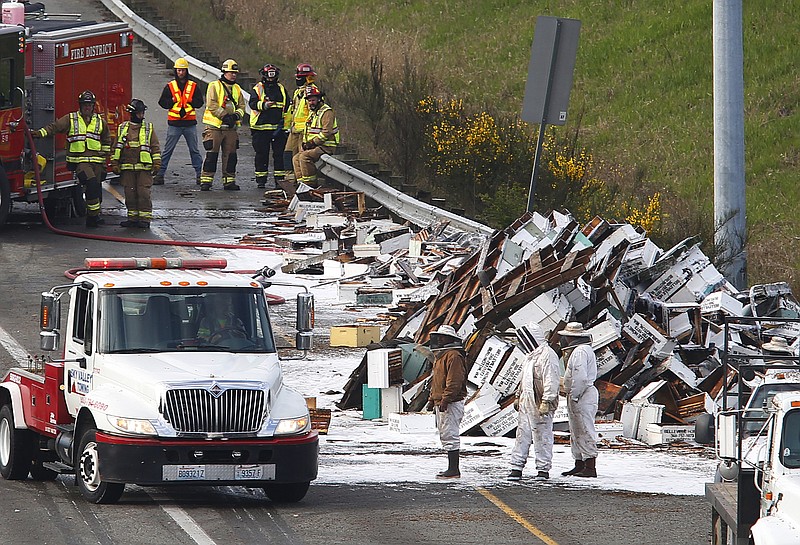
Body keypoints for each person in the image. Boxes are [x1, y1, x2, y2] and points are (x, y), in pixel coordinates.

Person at [32, 90, 111, 228]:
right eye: (85, 104)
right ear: (80, 106)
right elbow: (55, 127)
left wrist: (105, 160)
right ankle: (91, 218)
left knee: (96, 191)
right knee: (91, 184)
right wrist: (39, 133)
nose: (87, 107)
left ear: (93, 106)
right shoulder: (71, 119)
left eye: (89, 105)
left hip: (97, 163)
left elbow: (106, 140)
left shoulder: (100, 122)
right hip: (80, 162)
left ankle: (95, 216)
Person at [507, 323, 560, 481]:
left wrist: (547, 400)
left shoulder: (547, 355)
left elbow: (552, 379)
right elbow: (523, 378)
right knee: (522, 434)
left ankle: (543, 470)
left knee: (542, 435)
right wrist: (518, 396)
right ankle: (516, 468)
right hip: (526, 400)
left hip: (540, 401)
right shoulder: (530, 355)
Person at [425, 324, 468, 479]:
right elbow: (436, 382)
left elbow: (454, 381)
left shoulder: (454, 356)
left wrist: (446, 399)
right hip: (443, 401)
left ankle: (453, 469)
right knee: (446, 434)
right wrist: (432, 400)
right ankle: (451, 468)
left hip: (451, 402)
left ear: (450, 339)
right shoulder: (442, 356)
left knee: (451, 434)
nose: (439, 340)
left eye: (442, 337)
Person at [110, 99, 161, 229]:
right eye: (139, 113)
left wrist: (156, 163)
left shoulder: (148, 128)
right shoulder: (123, 128)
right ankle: (132, 218)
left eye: (143, 113)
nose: (142, 115)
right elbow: (116, 147)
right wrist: (114, 163)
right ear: (132, 113)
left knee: (143, 193)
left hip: (144, 169)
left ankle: (145, 219)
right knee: (130, 194)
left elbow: (155, 147)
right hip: (127, 169)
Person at [155, 57, 205, 186]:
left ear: (186, 71)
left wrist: (191, 102)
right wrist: (171, 102)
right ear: (176, 71)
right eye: (178, 70)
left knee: (194, 150)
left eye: (182, 70)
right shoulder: (170, 86)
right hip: (174, 124)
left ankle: (200, 175)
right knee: (168, 150)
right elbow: (162, 102)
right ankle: (160, 175)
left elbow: (200, 102)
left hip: (189, 124)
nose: (180, 73)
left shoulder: (193, 86)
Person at [559, 322, 599, 478]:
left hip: (582, 395)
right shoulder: (583, 350)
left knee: (584, 429)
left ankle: (590, 467)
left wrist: (574, 394)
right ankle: (580, 463)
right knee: (576, 430)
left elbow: (580, 377)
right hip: (581, 394)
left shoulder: (580, 352)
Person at [200, 59, 246, 191]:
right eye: (231, 73)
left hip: (230, 129)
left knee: (231, 156)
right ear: (224, 72)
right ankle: (206, 181)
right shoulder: (214, 86)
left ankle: (229, 181)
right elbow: (212, 104)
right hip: (215, 127)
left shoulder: (237, 88)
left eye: (235, 73)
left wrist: (236, 116)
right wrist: (225, 116)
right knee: (211, 155)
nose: (234, 75)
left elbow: (242, 105)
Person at [249, 63, 290, 189]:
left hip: (278, 128)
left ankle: (279, 181)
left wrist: (284, 125)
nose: (271, 79)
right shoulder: (258, 88)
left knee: (279, 155)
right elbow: (253, 103)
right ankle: (261, 180)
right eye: (269, 76)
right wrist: (264, 105)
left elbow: (287, 106)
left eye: (273, 76)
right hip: (260, 128)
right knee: (261, 154)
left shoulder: (281, 89)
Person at [293, 84, 339, 187]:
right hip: (315, 146)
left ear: (319, 99)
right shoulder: (313, 112)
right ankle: (301, 185)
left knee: (304, 157)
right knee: (296, 158)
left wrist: (312, 143)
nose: (311, 103)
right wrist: (305, 145)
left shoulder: (327, 112)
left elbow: (326, 133)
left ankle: (310, 185)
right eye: (309, 101)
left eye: (313, 100)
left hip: (326, 146)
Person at [283, 62, 316, 190]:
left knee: (300, 159)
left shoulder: (312, 92)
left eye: (300, 77)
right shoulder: (299, 92)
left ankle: (302, 186)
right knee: (288, 154)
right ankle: (290, 184)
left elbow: (314, 112)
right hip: (294, 130)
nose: (297, 79)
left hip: (304, 132)